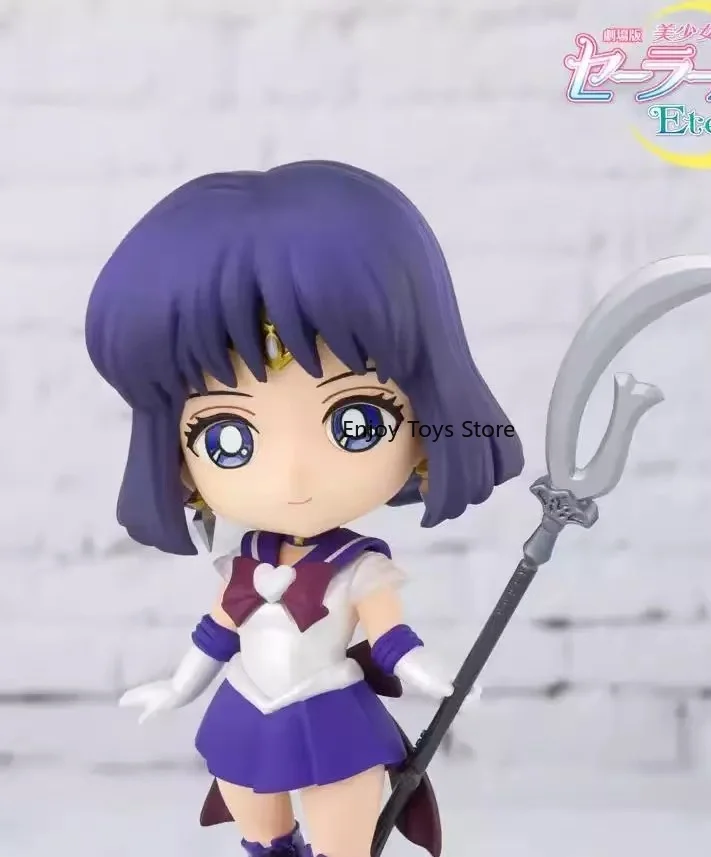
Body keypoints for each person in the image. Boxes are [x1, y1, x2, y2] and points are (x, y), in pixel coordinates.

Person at [85, 160, 524, 857]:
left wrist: (428, 675)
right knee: (260, 831)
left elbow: (390, 638)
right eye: (227, 437)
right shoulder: (243, 563)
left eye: (356, 421)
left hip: (329, 713)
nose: (293, 474)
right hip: (245, 707)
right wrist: (177, 686)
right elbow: (217, 631)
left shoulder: (360, 568)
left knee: (341, 835)